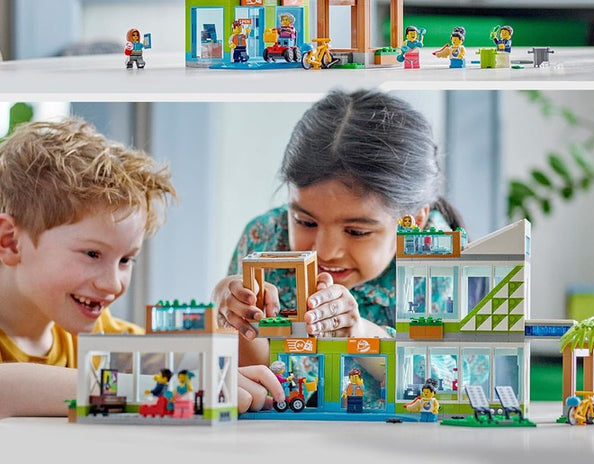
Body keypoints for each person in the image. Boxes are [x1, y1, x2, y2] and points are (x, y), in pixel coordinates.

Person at [0, 118, 284, 418]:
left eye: (126, 260)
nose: (112, 284)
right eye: (92, 254)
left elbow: (191, 364)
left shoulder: (102, 333)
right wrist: (171, 390)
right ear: (11, 242)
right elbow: (7, 388)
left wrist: (233, 323)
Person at [212, 89, 464, 365]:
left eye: (356, 232)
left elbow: (452, 379)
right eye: (305, 222)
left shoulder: (438, 260)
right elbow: (253, 376)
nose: (326, 252)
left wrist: (360, 335)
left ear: (413, 221)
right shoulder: (264, 240)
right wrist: (234, 321)